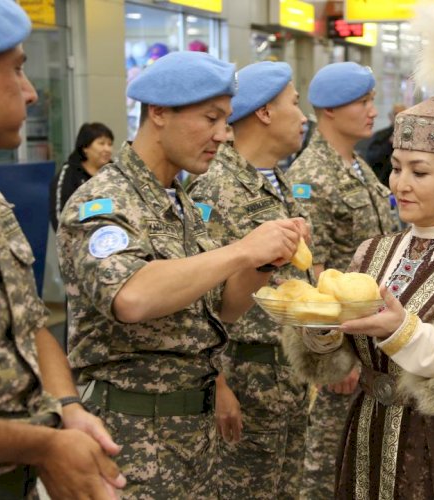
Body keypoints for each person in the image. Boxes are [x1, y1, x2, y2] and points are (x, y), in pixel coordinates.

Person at [282, 3, 434, 492]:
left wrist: (406, 334)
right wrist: (321, 330)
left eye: (420, 172)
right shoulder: (371, 252)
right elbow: (336, 360)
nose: (401, 184)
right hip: (367, 430)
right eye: (396, 168)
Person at [56, 51, 308, 498]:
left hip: (195, 437)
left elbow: (223, 311)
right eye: (210, 119)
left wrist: (261, 264)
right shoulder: (104, 203)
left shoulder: (181, 204)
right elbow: (131, 295)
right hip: (132, 438)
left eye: (226, 121)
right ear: (158, 113)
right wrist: (240, 250)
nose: (221, 135)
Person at [0, 0, 125, 498]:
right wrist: (43, 445)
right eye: (17, 69)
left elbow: (30, 326)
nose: (32, 94)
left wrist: (68, 409)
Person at [188, 61, 310, 499]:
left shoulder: (279, 180)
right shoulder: (214, 188)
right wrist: (218, 385)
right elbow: (200, 304)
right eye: (295, 104)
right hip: (244, 376)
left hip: (287, 373)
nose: (304, 117)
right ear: (264, 112)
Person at [285, 62, 394, 499]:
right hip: (343, 342)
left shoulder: (357, 167)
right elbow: (311, 272)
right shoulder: (311, 176)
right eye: (363, 102)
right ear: (329, 110)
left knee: (361, 456)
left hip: (371, 332)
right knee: (328, 461)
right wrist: (333, 353)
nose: (373, 110)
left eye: (371, 100)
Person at [49, 122, 114, 231]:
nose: (107, 149)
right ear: (85, 147)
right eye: (101, 143)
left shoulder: (114, 172)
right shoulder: (69, 173)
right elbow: (59, 216)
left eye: (110, 144)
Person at [357, 103, 407, 186]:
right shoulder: (381, 135)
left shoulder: (416, 136)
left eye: (404, 115)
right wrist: (389, 143)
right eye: (396, 114)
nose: (400, 118)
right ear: (390, 117)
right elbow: (372, 158)